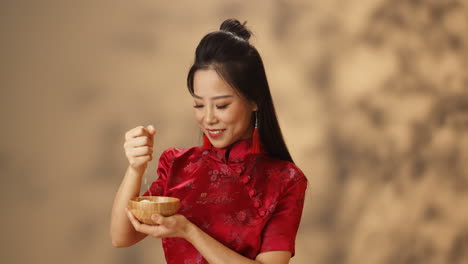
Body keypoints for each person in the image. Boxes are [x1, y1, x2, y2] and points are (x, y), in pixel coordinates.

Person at [110, 18, 307, 264]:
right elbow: (121, 236)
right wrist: (135, 168)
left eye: (222, 105)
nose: (208, 118)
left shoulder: (286, 179)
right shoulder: (177, 165)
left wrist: (189, 231)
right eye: (199, 104)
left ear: (254, 101)